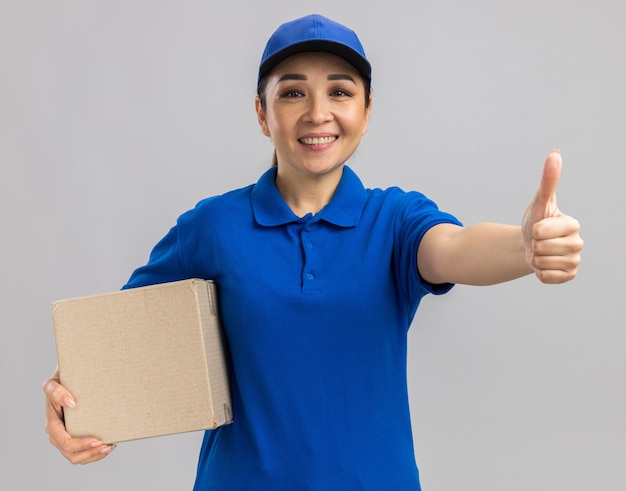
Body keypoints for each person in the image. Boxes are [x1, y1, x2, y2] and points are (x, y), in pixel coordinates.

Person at [43, 14, 583, 490]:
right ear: (262, 113)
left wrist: (523, 247)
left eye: (341, 92)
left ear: (367, 112)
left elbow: (454, 249)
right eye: (293, 92)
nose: (317, 112)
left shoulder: (393, 220)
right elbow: (112, 345)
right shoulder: (212, 227)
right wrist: (67, 400)